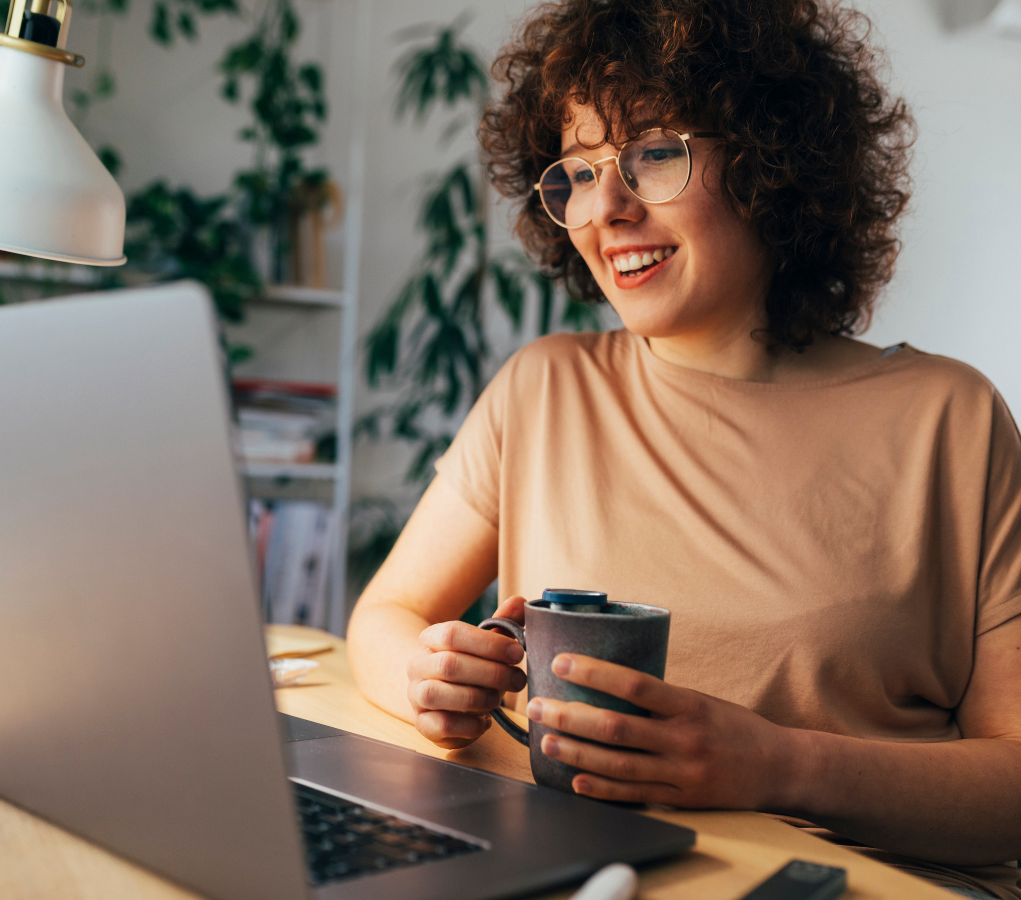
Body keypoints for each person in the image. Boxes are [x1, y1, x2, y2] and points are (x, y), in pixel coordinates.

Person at [345, 2, 1021, 898]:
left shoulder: (953, 418)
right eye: (578, 173)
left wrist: (777, 766)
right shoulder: (542, 389)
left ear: (773, 165)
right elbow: (383, 616)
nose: (608, 208)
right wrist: (425, 674)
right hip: (580, 871)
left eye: (655, 153)